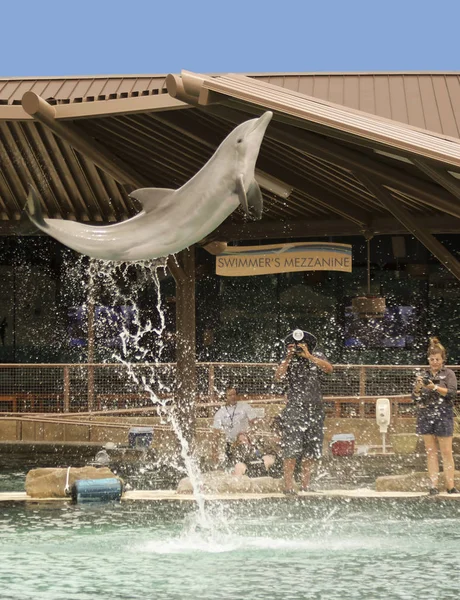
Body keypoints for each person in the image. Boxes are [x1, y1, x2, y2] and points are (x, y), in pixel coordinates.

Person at [275, 329, 333, 495]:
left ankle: (305, 484)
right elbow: (278, 377)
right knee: (291, 448)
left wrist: (309, 356)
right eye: (297, 346)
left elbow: (329, 369)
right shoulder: (288, 359)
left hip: (315, 408)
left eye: (302, 345)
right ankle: (288, 486)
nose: (299, 348)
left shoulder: (317, 355)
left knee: (312, 448)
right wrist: (288, 357)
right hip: (295, 409)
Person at [412, 337, 459, 495]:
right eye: (432, 359)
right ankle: (433, 485)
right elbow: (415, 398)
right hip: (426, 413)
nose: (434, 362)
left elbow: (452, 393)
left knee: (446, 451)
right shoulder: (423, 375)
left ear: (443, 359)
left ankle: (450, 485)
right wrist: (418, 388)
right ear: (428, 359)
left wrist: (435, 387)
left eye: (437, 359)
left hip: (444, 413)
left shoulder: (449, 374)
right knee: (430, 451)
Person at [211, 387, 259, 467]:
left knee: (252, 465)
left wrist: (251, 434)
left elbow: (255, 422)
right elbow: (216, 434)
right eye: (230, 395)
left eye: (234, 394)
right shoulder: (220, 413)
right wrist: (214, 452)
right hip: (230, 444)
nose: (233, 397)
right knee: (231, 468)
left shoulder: (244, 407)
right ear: (225, 397)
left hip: (245, 442)